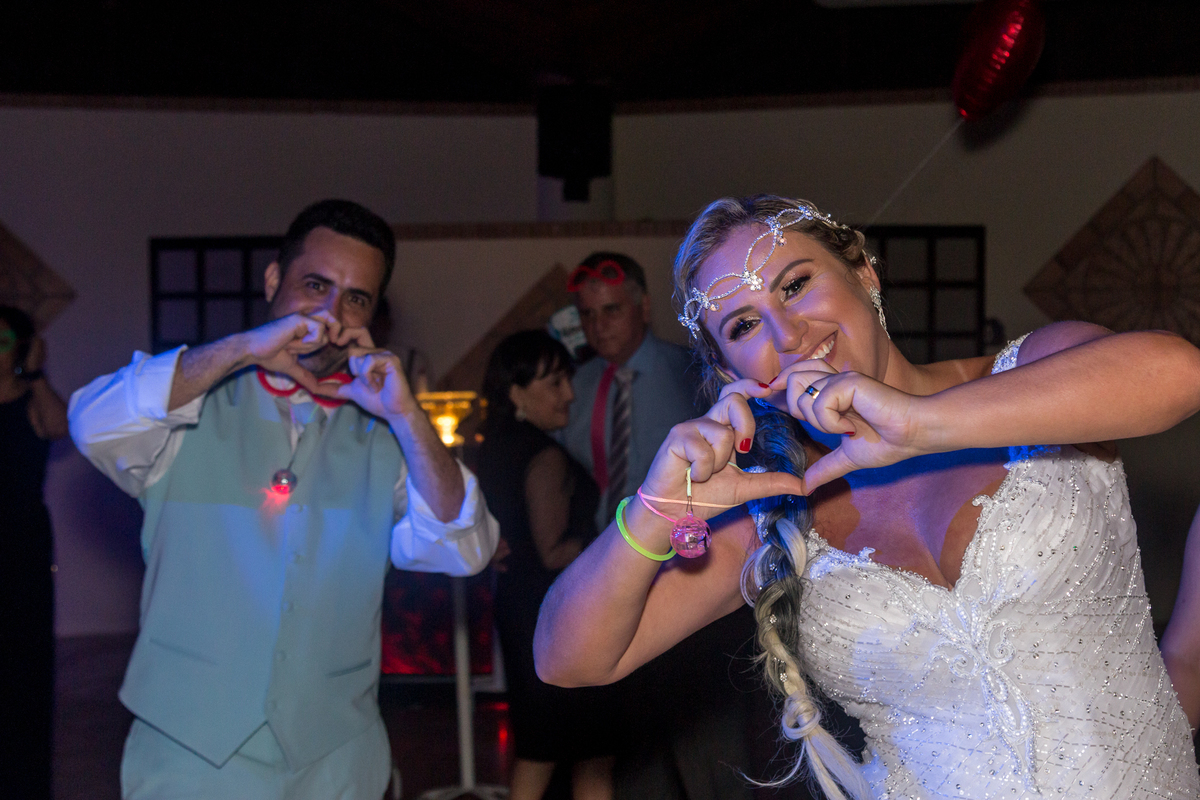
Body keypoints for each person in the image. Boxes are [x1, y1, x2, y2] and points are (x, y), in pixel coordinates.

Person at [533, 195, 1200, 799]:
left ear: (864, 273)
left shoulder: (1031, 374)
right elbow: (568, 660)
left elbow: (1178, 374)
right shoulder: (774, 511)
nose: (786, 334)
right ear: (727, 370)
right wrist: (656, 510)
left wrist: (918, 424)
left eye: (797, 284)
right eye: (742, 326)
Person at [69, 199, 499, 799]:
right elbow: (93, 423)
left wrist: (405, 415)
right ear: (273, 281)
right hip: (190, 758)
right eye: (314, 285)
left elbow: (464, 547)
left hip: (336, 762)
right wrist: (243, 349)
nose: (330, 314)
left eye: (356, 298)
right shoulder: (187, 406)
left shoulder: (383, 435)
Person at [560, 251, 756, 800]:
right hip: (613, 578)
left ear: (643, 308)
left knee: (709, 745)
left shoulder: (690, 372)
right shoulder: (578, 388)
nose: (600, 326)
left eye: (612, 311)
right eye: (589, 315)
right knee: (634, 747)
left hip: (693, 573)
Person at [476, 330, 620, 800]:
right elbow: (554, 552)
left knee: (541, 749)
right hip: (559, 616)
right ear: (517, 393)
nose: (570, 394)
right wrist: (621, 546)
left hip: (521, 608)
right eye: (555, 383)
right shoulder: (543, 455)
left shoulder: (494, 447)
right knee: (589, 752)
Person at [0, 305, 69, 800]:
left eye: (3, 341)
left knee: (23, 664)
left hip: (21, 541)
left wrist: (37, 371)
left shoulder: (33, 398)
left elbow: (59, 427)